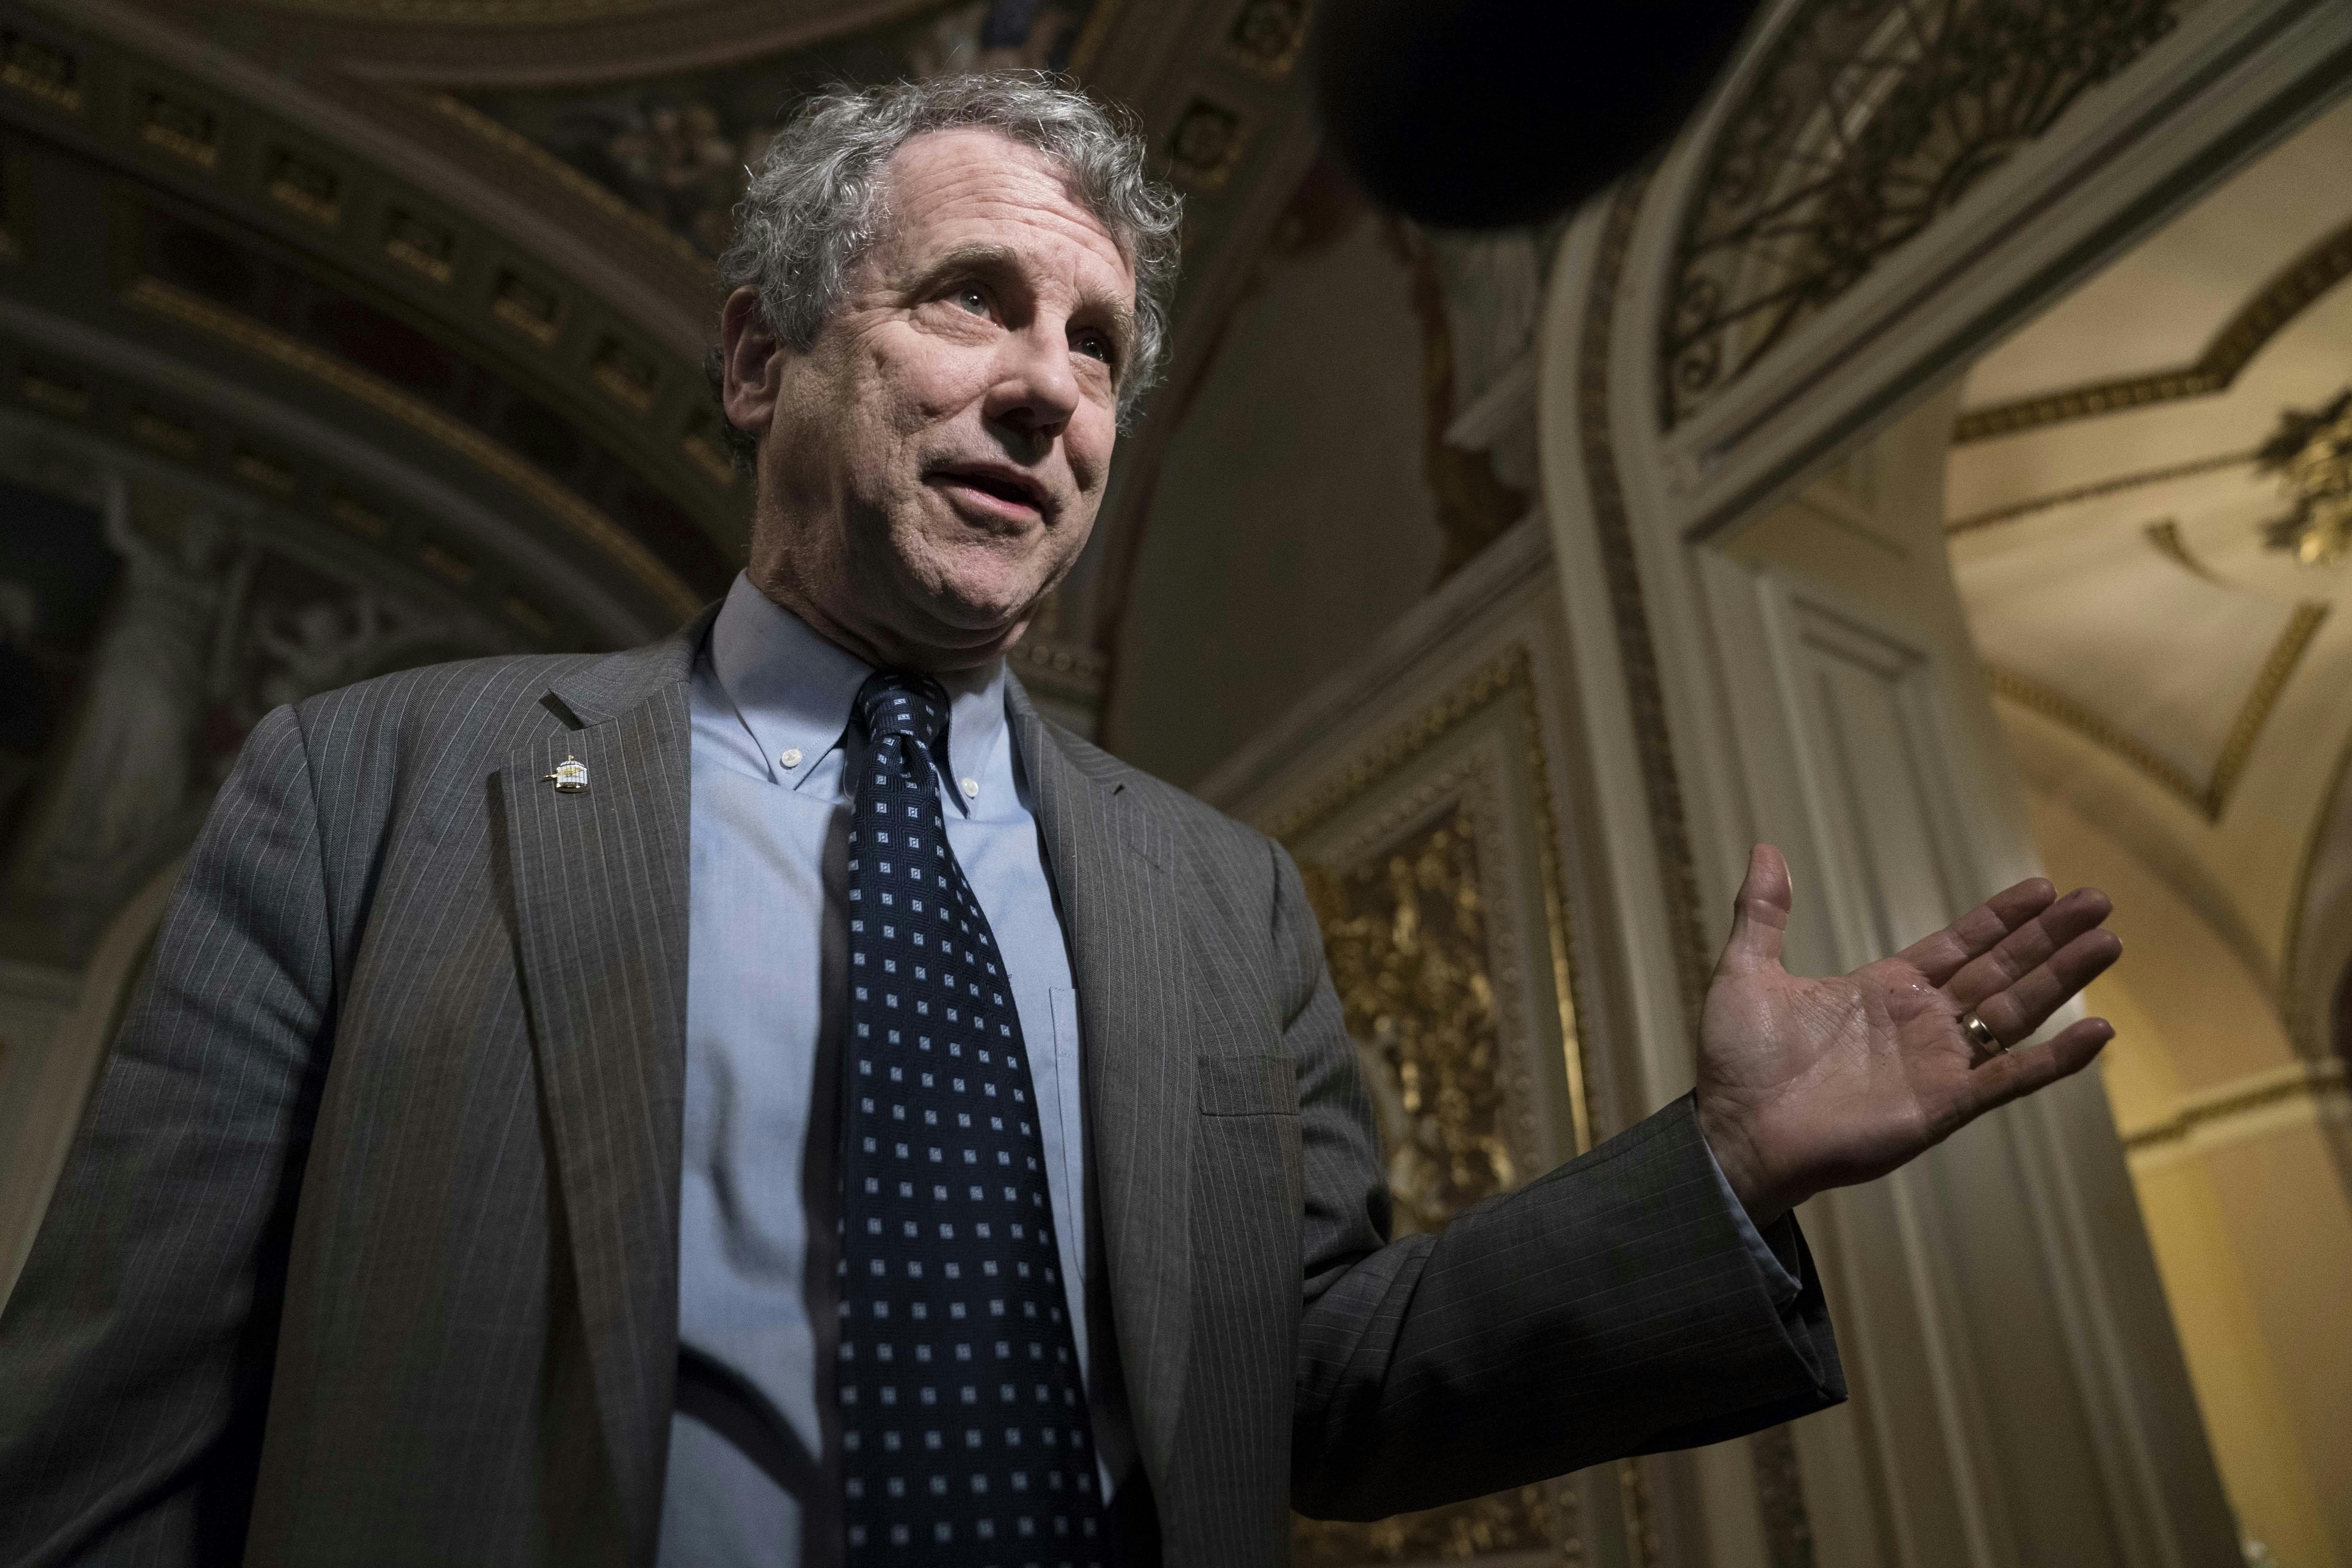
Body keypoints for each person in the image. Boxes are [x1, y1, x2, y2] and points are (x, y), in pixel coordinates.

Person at [0, 74, 2120, 1568]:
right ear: (760, 360)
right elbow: (105, 1453)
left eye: (1100, 344)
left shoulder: (1221, 904)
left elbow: (1314, 1389)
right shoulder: (373, 790)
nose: (1052, 389)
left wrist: (1725, 1174)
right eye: (972, 304)